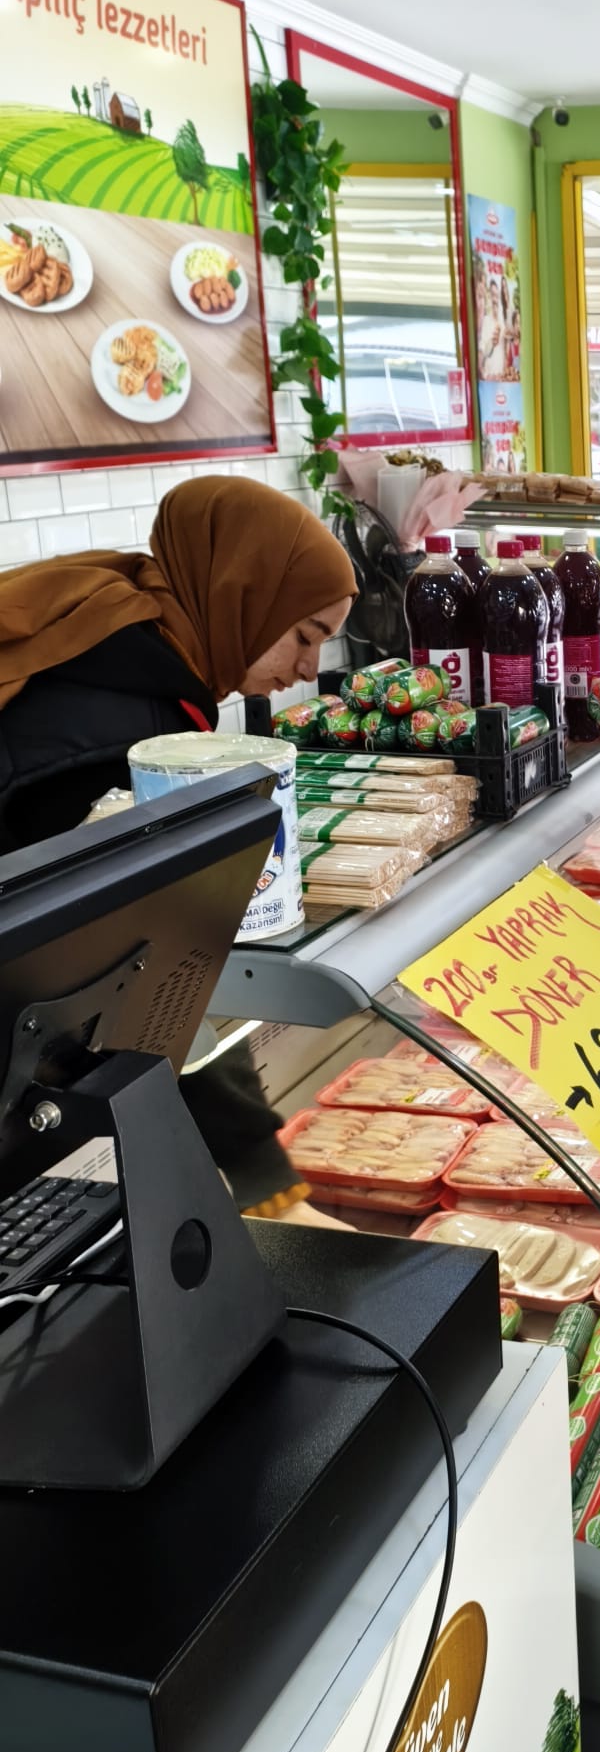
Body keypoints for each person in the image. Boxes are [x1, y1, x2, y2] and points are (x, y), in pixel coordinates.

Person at [0, 474, 357, 1225]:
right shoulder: (119, 725)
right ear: (240, 592)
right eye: (304, 634)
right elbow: (139, 967)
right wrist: (265, 1182)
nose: (308, 668)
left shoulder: (137, 645)